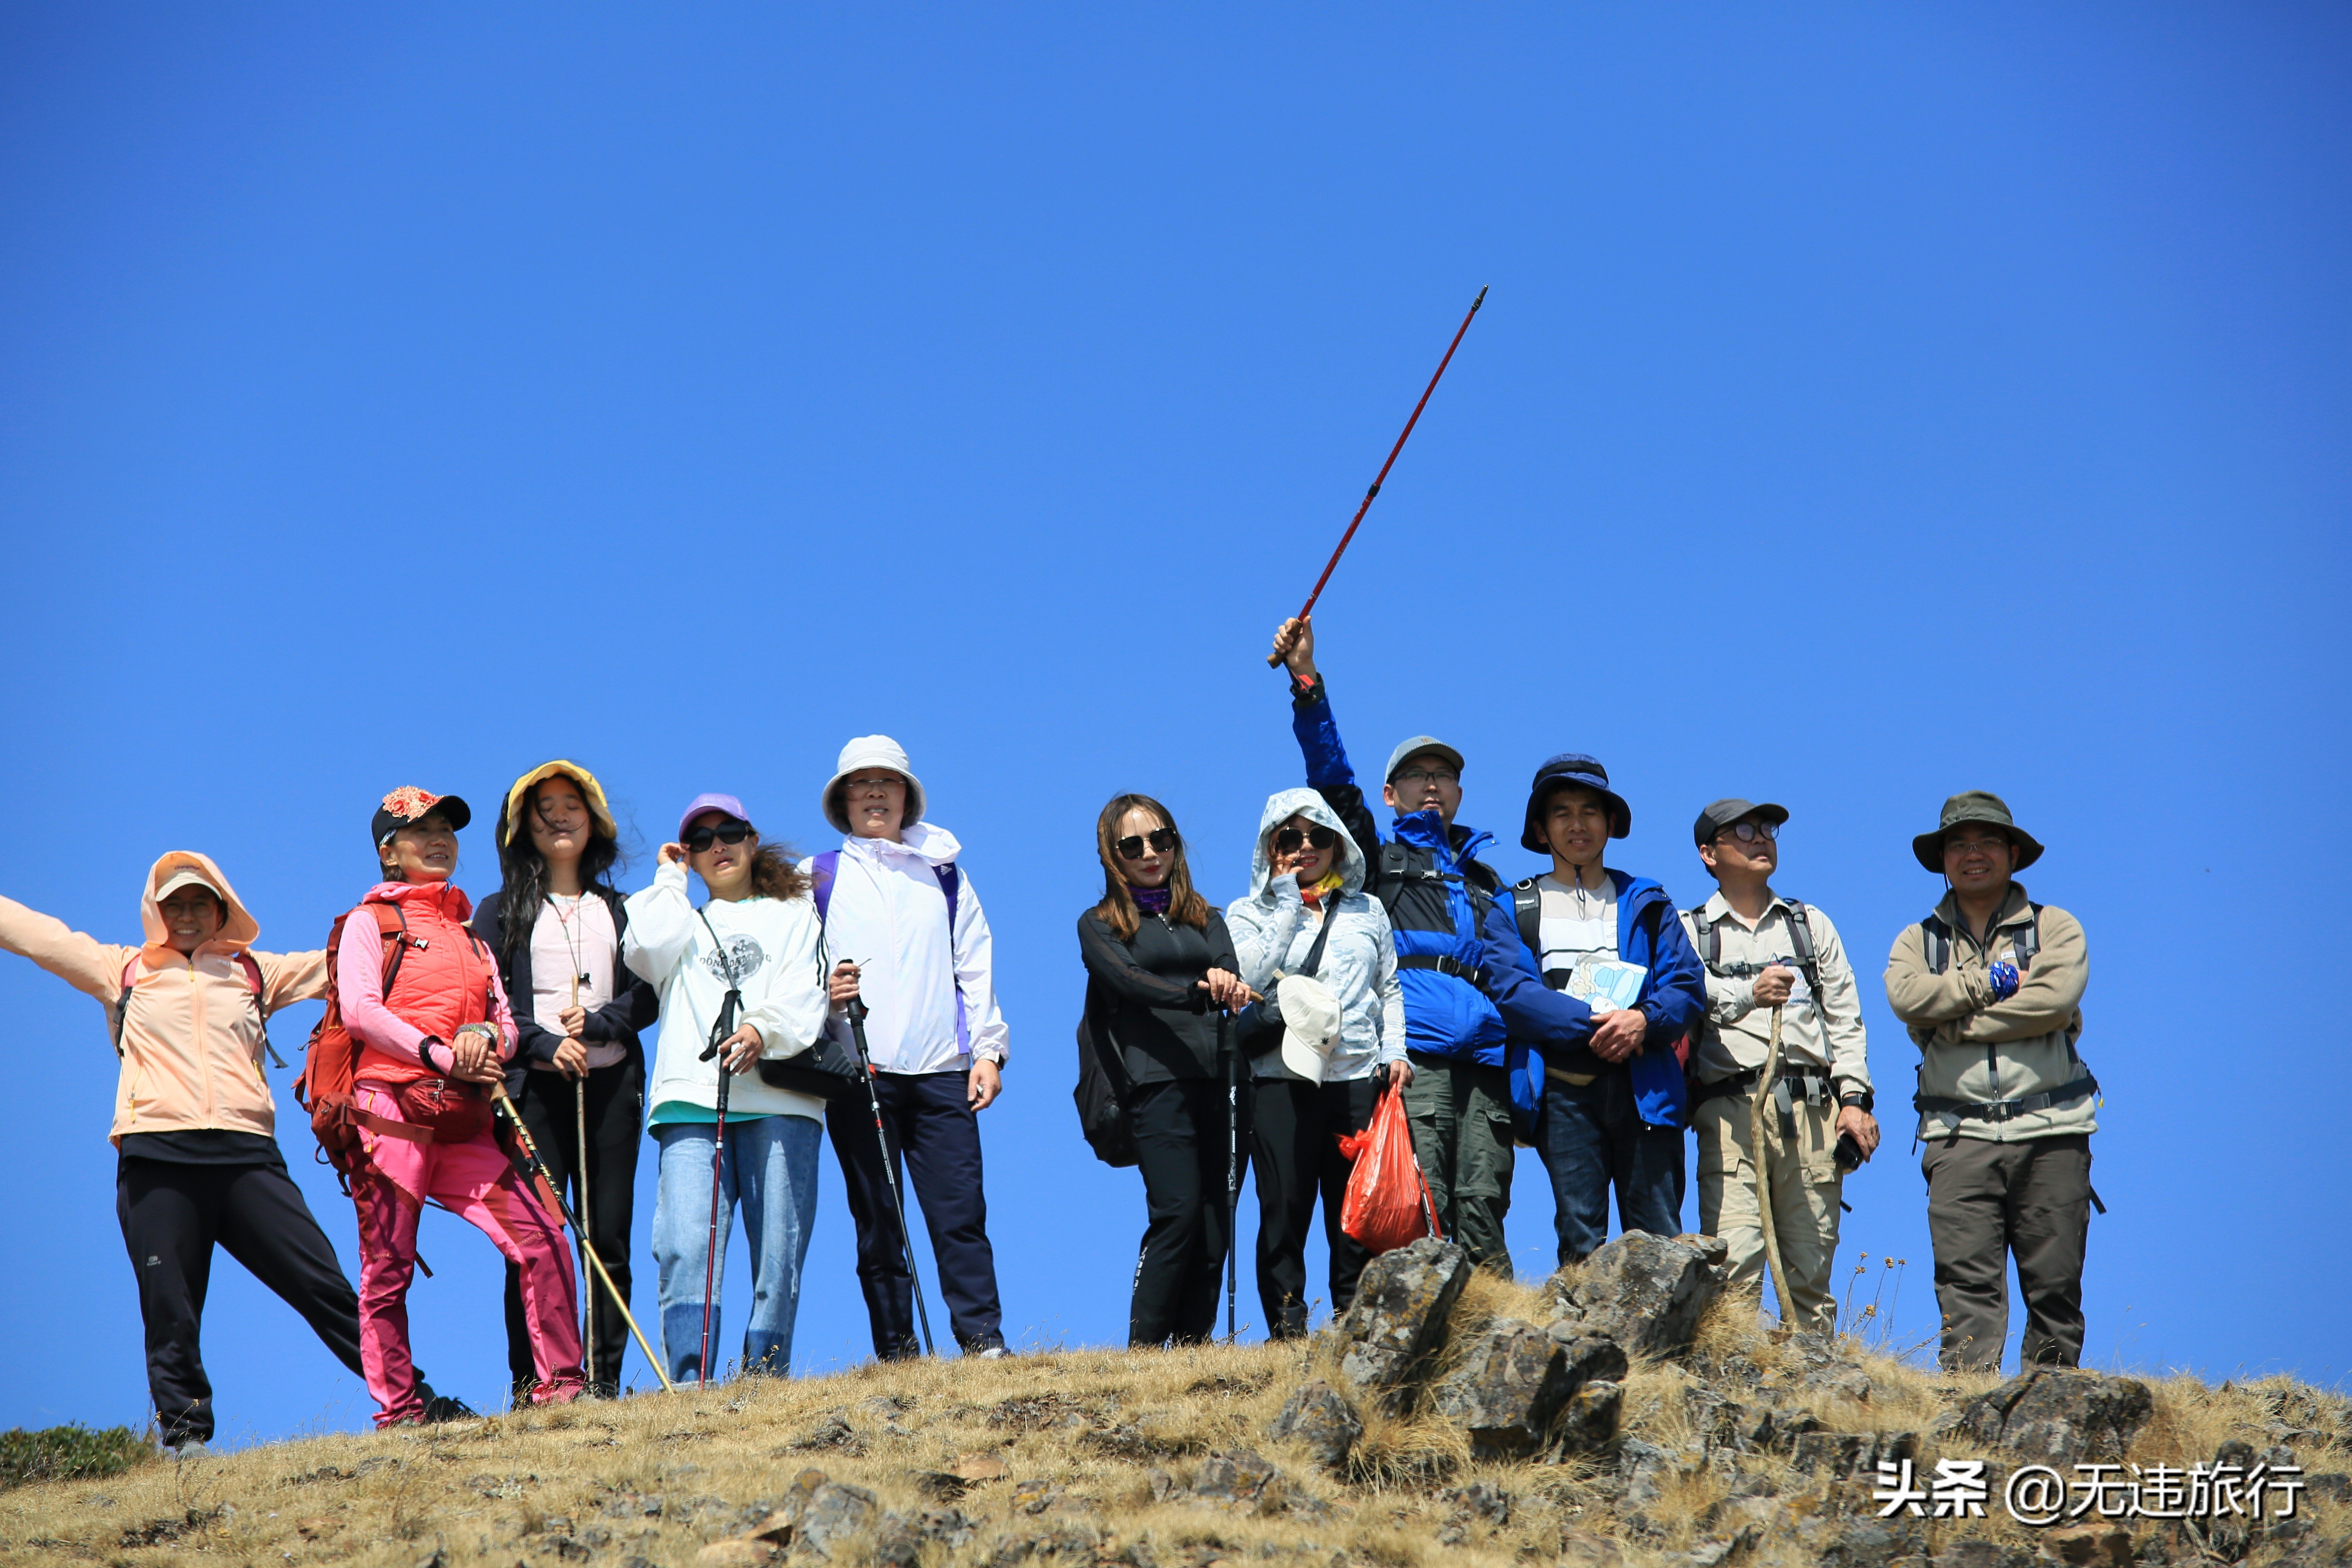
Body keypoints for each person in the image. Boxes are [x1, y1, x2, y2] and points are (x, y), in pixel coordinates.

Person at [0, 854, 373, 1450]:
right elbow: (40, 937)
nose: (188, 915)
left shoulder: (254, 971)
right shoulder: (122, 969)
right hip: (158, 1158)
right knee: (170, 1307)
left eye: (201, 903)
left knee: (323, 1285)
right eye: (174, 905)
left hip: (248, 1157)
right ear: (156, 913)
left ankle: (408, 1398)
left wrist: (416, 923)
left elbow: (348, 962)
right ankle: (186, 1436)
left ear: (223, 910)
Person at [1269, 617, 1516, 1276]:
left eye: (1443, 775)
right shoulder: (1376, 862)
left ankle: (1492, 1330)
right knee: (1421, 1210)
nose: (1431, 783)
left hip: (1487, 1066)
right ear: (1390, 794)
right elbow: (1334, 784)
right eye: (1415, 775)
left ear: (1460, 792)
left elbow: (1518, 980)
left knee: (1485, 1207)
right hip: (1416, 1062)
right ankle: (1420, 1333)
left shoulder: (1489, 882)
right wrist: (1307, 682)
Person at [339, 786, 585, 1424]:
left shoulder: (472, 937)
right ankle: (399, 1412)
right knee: (387, 1268)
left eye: (447, 830)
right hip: (389, 1114)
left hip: (461, 1122)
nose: (440, 840)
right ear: (389, 853)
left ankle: (563, 1389)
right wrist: (441, 1053)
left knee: (544, 1237)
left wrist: (485, 1040)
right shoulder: (369, 922)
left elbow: (505, 1025)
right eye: (422, 831)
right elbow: (361, 1011)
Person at [815, 736, 1013, 1360]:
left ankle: (983, 1340)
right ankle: (897, 1350)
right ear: (843, 799)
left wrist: (988, 1052)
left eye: (888, 782)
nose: (875, 793)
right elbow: (793, 971)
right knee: (879, 1218)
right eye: (861, 783)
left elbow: (974, 963)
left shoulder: (945, 873)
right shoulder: (815, 877)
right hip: (858, 1070)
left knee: (960, 1214)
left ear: (907, 797)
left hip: (942, 1070)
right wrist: (824, 991)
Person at [1885, 791, 2096, 1372]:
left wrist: (1955, 1023)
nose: (1972, 854)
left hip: (2053, 1131)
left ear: (2013, 853)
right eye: (1958, 844)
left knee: (2055, 1289)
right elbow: (1907, 998)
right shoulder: (1917, 941)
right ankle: (1967, 1410)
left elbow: (2053, 1003)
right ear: (1942, 859)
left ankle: (2051, 1407)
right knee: (1964, 1294)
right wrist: (1991, 983)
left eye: (1987, 842)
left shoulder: (2056, 928)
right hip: (1958, 1138)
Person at [623, 793, 829, 1385]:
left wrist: (762, 1029)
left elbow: (808, 989)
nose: (719, 846)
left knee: (779, 1247)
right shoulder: (680, 920)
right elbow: (644, 950)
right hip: (691, 1099)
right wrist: (670, 876)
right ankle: (690, 1381)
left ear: (752, 840)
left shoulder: (795, 913)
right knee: (685, 1245)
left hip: (781, 1098)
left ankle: (765, 1376)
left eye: (731, 833)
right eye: (701, 840)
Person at [472, 762, 659, 1398]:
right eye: (544, 808)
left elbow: (648, 993)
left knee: (608, 1237)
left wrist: (603, 1024)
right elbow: (488, 998)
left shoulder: (622, 910)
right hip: (533, 1094)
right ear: (522, 826)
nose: (559, 818)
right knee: (536, 1239)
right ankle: (535, 1383)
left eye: (571, 806)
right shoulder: (499, 911)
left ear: (594, 820)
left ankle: (603, 1382)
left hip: (611, 1090)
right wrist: (547, 1043)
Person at [1481, 755, 1707, 1265]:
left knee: (1660, 1241)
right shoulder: (1514, 907)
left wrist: (1643, 1021)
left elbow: (1687, 983)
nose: (1577, 824)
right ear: (1541, 829)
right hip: (1563, 1092)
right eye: (1561, 812)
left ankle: (1668, 1325)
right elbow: (1513, 992)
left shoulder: (1647, 901)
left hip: (1646, 1089)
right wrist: (1599, 1026)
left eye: (1589, 811)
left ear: (1610, 823)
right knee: (1580, 1241)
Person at [1679, 799, 1879, 1334]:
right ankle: (1733, 1381)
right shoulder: (1687, 931)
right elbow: (1686, 994)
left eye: (1767, 828)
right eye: (1743, 830)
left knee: (1810, 1277)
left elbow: (1846, 1019)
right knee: (1733, 1267)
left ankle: (1814, 1381)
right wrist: (1751, 992)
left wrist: (1854, 1101)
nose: (1761, 838)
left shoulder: (1810, 926)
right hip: (1729, 1113)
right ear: (1708, 853)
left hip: (1812, 1113)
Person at [1227, 787, 1408, 1336]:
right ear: (1270, 846)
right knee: (1283, 1209)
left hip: (1357, 1076)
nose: (1306, 847)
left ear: (1339, 843)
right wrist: (1287, 903)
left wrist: (1396, 1051)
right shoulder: (1246, 913)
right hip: (1282, 1077)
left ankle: (1353, 1325)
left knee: (1354, 1212)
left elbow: (1389, 988)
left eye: (1319, 836)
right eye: (1290, 837)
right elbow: (1248, 977)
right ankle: (1287, 1329)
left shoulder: (1368, 909)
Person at [1076, 794, 1251, 1348]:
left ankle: (1193, 1347)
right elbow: (1129, 981)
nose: (1150, 853)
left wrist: (1224, 982)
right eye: (1132, 845)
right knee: (1177, 1212)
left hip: (1226, 1079)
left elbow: (1227, 967)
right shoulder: (1099, 924)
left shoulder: (1208, 917)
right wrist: (1195, 994)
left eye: (1161, 839)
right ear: (1112, 857)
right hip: (1156, 1083)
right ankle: (1145, 1350)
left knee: (1217, 1219)